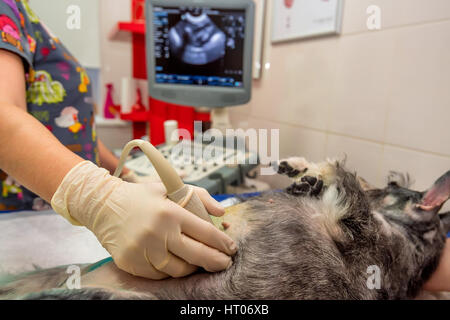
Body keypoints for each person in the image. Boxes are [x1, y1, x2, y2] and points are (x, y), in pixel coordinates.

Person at [0, 0, 236, 280]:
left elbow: (76, 131)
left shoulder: (24, 17)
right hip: (25, 221)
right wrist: (98, 197)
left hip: (63, 223)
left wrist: (126, 176)